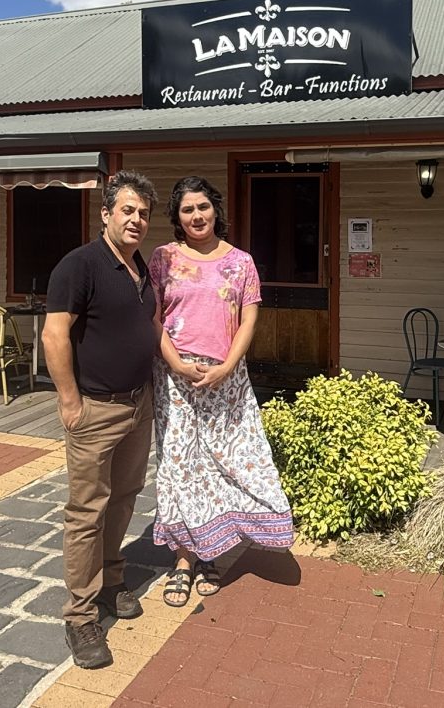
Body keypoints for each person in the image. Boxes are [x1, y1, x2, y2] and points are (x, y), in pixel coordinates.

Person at [148, 175, 294, 608]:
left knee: (224, 462)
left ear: (216, 210)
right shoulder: (163, 259)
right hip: (174, 378)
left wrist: (227, 367)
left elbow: (248, 321)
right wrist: (175, 363)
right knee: (180, 465)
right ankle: (184, 558)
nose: (197, 216)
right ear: (178, 217)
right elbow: (152, 317)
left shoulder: (241, 262)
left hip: (226, 380)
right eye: (188, 209)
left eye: (203, 207)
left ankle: (212, 550)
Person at [42, 170, 160, 669]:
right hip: (96, 407)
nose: (136, 220)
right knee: (87, 511)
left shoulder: (139, 269)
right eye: (127, 210)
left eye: (143, 214)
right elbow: (53, 336)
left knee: (125, 498)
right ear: (106, 213)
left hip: (138, 404)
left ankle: (112, 579)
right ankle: (80, 614)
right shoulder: (80, 265)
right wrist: (70, 402)